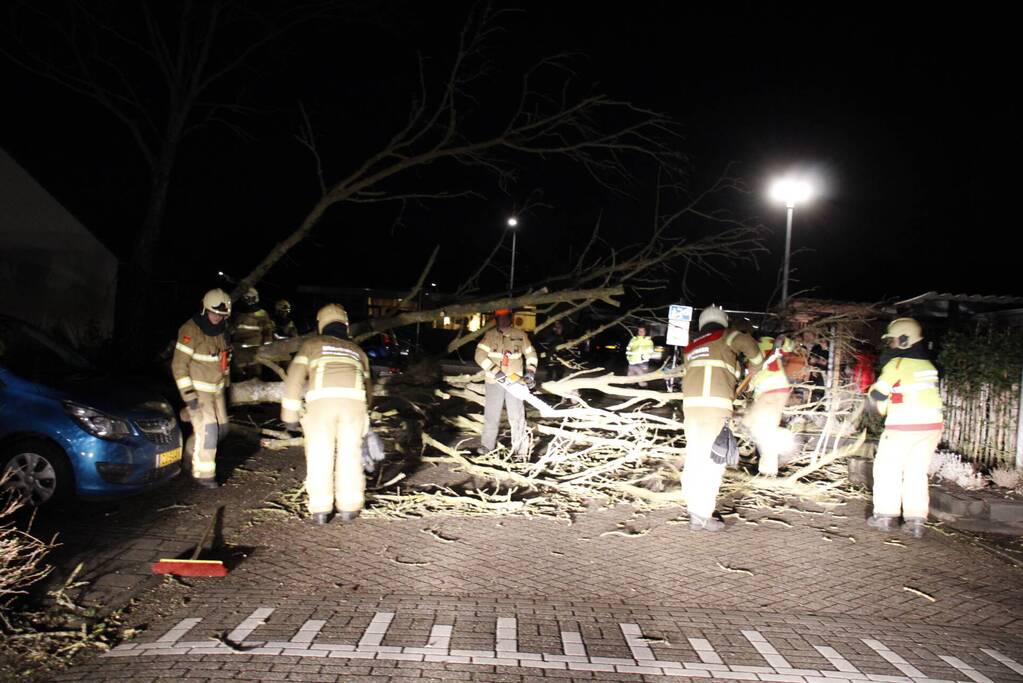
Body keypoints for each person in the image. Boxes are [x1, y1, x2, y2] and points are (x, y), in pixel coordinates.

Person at [281, 304, 371, 525]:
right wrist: (366, 415)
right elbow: (369, 386)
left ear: (321, 324)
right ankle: (349, 507)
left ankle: (321, 509)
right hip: (354, 406)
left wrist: (289, 414)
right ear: (345, 325)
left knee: (320, 454)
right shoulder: (357, 351)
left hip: (322, 405)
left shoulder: (312, 344)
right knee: (350, 455)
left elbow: (294, 378)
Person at [681, 305, 763, 531]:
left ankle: (693, 510)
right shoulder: (725, 337)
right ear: (723, 322)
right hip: (714, 411)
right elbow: (748, 344)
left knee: (695, 458)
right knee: (713, 462)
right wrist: (757, 364)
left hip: (691, 410)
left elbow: (718, 371)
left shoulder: (691, 346)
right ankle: (703, 516)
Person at [865, 318, 943, 538]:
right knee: (916, 472)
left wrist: (873, 398)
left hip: (904, 424)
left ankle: (885, 516)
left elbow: (879, 393)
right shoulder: (928, 365)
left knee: (887, 468)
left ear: (904, 340)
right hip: (931, 427)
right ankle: (916, 521)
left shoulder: (897, 364)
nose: (889, 344)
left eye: (891, 340)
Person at [171, 289, 232, 489]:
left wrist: (226, 384)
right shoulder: (191, 329)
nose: (217, 318)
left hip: (217, 390)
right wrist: (189, 396)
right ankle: (203, 473)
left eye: (221, 315)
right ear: (205, 309)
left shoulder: (223, 330)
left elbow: (224, 360)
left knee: (222, 429)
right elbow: (178, 366)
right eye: (214, 313)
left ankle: (190, 455)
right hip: (198, 390)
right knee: (209, 430)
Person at [474, 308, 538, 457]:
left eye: (505, 317)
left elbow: (531, 354)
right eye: (500, 317)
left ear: (510, 318)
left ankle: (521, 451)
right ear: (496, 319)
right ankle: (487, 447)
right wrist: (495, 372)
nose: (503, 320)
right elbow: (479, 356)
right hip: (494, 381)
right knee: (492, 416)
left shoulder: (520, 335)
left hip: (515, 383)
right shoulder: (489, 336)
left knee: (517, 416)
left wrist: (530, 372)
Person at [744, 333, 798, 476]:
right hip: (772, 388)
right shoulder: (765, 343)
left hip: (771, 388)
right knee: (760, 427)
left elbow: (788, 346)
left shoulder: (760, 344)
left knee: (760, 427)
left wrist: (781, 340)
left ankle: (784, 449)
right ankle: (768, 468)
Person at [231, 288, 273, 379]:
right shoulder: (237, 313)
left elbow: (268, 332)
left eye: (250, 298)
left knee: (255, 377)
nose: (248, 301)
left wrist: (267, 349)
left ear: (255, 299)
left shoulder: (262, 314)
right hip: (239, 351)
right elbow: (231, 330)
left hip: (255, 351)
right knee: (238, 377)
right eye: (246, 298)